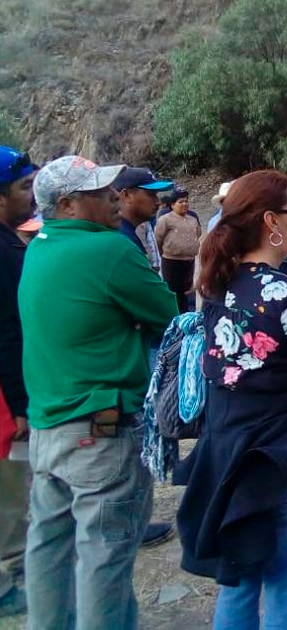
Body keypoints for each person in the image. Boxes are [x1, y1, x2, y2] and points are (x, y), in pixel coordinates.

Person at [176, 170, 287, 630]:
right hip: (284, 454)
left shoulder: (214, 285)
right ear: (272, 220)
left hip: (227, 451)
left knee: (237, 582)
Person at [21, 155, 179, 629]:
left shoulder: (38, 247)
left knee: (48, 548)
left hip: (49, 431)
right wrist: (132, 320)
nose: (114, 197)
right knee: (105, 558)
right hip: (100, 433)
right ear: (67, 204)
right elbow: (168, 313)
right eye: (98, 192)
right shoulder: (108, 251)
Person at [112, 166, 182, 548]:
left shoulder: (130, 235)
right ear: (124, 195)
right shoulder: (118, 241)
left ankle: (134, 522)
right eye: (149, 192)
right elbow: (161, 307)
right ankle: (130, 527)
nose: (158, 199)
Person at [0, 146, 37, 619]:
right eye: (24, 188)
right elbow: (8, 329)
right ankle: (6, 578)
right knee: (8, 485)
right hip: (6, 399)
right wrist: (21, 403)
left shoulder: (10, 242)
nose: (32, 198)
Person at [155, 186, 203, 313]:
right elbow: (158, 239)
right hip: (171, 261)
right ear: (172, 204)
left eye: (186, 201)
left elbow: (198, 234)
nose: (184, 204)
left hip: (189, 261)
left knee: (187, 290)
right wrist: (165, 252)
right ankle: (172, 315)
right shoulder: (165, 219)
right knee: (172, 291)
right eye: (180, 202)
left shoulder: (193, 218)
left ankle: (188, 315)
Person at [114, 167, 174, 252]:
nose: (158, 202)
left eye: (156, 195)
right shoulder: (122, 242)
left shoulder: (127, 234)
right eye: (151, 194)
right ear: (127, 195)